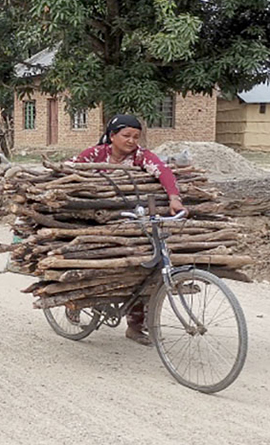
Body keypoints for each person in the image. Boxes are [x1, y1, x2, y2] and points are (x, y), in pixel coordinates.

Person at [69, 114, 186, 346]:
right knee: (88, 258)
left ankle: (135, 326)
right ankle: (76, 301)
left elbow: (162, 171)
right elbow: (68, 171)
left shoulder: (141, 156)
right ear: (112, 136)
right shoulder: (95, 154)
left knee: (141, 266)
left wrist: (174, 198)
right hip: (94, 217)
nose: (132, 141)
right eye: (126, 136)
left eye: (136, 136)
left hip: (128, 219)